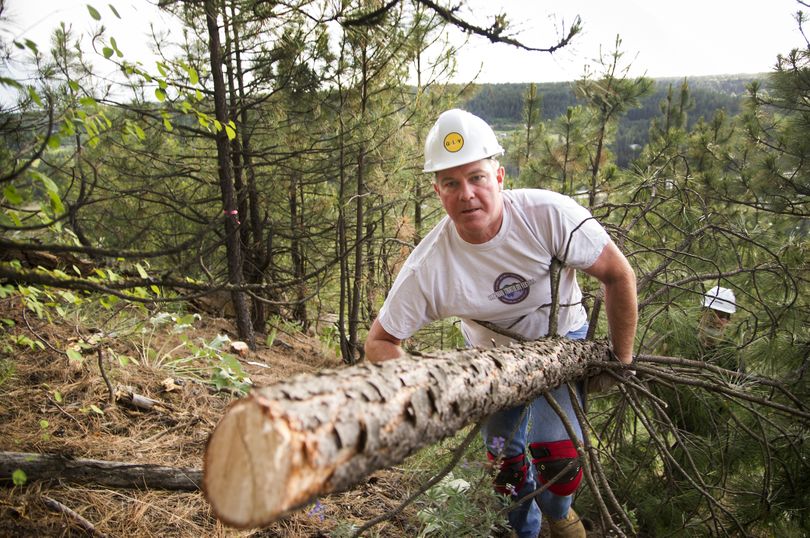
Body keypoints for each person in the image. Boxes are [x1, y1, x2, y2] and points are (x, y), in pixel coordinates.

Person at [364, 109, 638, 538]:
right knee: (505, 466)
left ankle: (560, 515)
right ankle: (523, 531)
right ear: (437, 191)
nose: (466, 194)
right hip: (493, 364)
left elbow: (617, 274)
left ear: (500, 177)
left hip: (563, 343)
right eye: (451, 183)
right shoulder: (429, 266)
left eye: (476, 177)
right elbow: (381, 341)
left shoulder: (548, 214)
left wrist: (621, 362)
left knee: (558, 461)